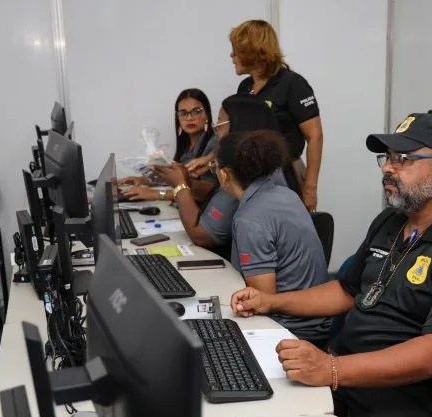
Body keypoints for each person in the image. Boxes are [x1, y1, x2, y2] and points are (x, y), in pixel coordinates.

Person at [230, 114, 432, 417]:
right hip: (354, 381)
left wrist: (331, 368)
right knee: (252, 407)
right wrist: (272, 301)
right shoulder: (393, 222)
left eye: (402, 159)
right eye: (387, 158)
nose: (387, 168)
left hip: (421, 406)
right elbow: (346, 291)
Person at [219, 129, 331, 344]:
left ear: (224, 174)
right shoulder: (286, 194)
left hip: (291, 330)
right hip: (320, 320)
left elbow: (261, 300)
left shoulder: (249, 219)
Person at [154, 95, 288, 260]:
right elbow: (216, 193)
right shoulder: (267, 162)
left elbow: (201, 236)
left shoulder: (247, 171)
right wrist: (185, 180)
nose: (216, 132)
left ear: (239, 126)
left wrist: (180, 186)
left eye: (219, 124)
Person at [229, 19, 324, 212]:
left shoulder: (292, 84)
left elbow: (315, 137)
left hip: (286, 176)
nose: (232, 56)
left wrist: (310, 187)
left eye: (236, 51)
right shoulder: (244, 87)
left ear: (252, 51)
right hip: (251, 178)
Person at [120, 88, 217, 201]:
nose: (189, 118)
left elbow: (209, 191)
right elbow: (179, 179)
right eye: (183, 113)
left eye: (196, 111)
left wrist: (156, 194)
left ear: (207, 115)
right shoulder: (187, 146)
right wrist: (143, 180)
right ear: (178, 117)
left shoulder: (215, 143)